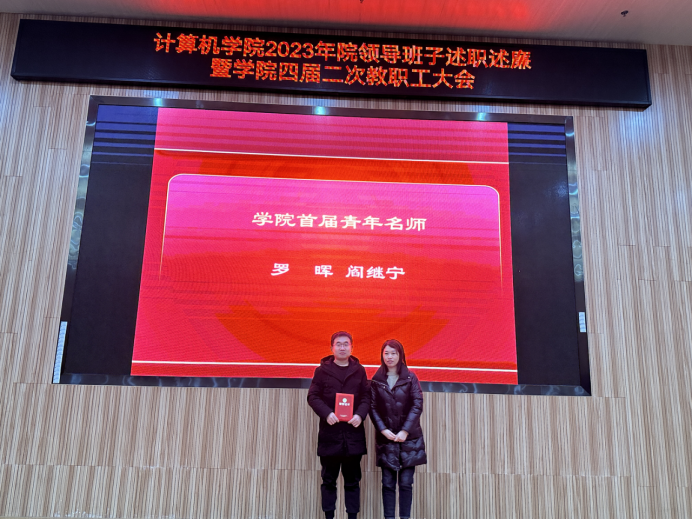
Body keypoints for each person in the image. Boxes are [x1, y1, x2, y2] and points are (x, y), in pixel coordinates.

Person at [307, 331, 370, 519]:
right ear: (332, 348)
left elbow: (366, 397)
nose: (342, 347)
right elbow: (313, 396)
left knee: (352, 482)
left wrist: (360, 415)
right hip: (330, 435)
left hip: (353, 435)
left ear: (352, 347)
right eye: (338, 344)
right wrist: (327, 413)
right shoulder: (322, 371)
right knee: (328, 481)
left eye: (346, 344)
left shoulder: (359, 371)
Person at [369, 339, 427, 519]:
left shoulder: (410, 377)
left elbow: (417, 405)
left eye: (393, 353)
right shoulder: (376, 380)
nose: (390, 357)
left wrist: (405, 431)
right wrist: (383, 430)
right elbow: (372, 407)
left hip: (410, 439)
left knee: (406, 483)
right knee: (387, 484)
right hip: (386, 438)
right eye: (386, 353)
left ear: (400, 355)